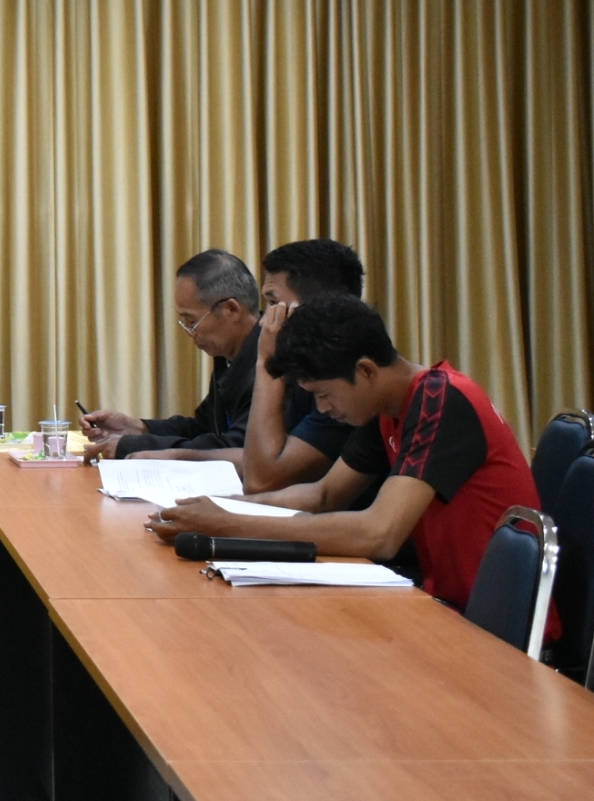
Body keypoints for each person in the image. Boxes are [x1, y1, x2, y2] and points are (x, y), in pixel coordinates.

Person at [147, 296, 554, 627]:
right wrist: (221, 507)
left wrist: (229, 525)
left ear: (366, 370)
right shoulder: (388, 408)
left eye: (324, 395)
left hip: (492, 624)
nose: (323, 409)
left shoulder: (440, 398)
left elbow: (380, 533)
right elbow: (323, 496)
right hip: (446, 602)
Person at [80, 250, 261, 461]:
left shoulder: (272, 361)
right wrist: (136, 427)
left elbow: (239, 447)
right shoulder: (228, 357)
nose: (189, 332)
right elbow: (202, 429)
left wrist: (132, 446)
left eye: (192, 321)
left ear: (231, 309)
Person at [240, 239, 371, 492]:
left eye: (273, 304)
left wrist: (268, 363)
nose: (263, 322)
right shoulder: (308, 370)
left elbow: (260, 481)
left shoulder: (347, 382)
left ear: (313, 309)